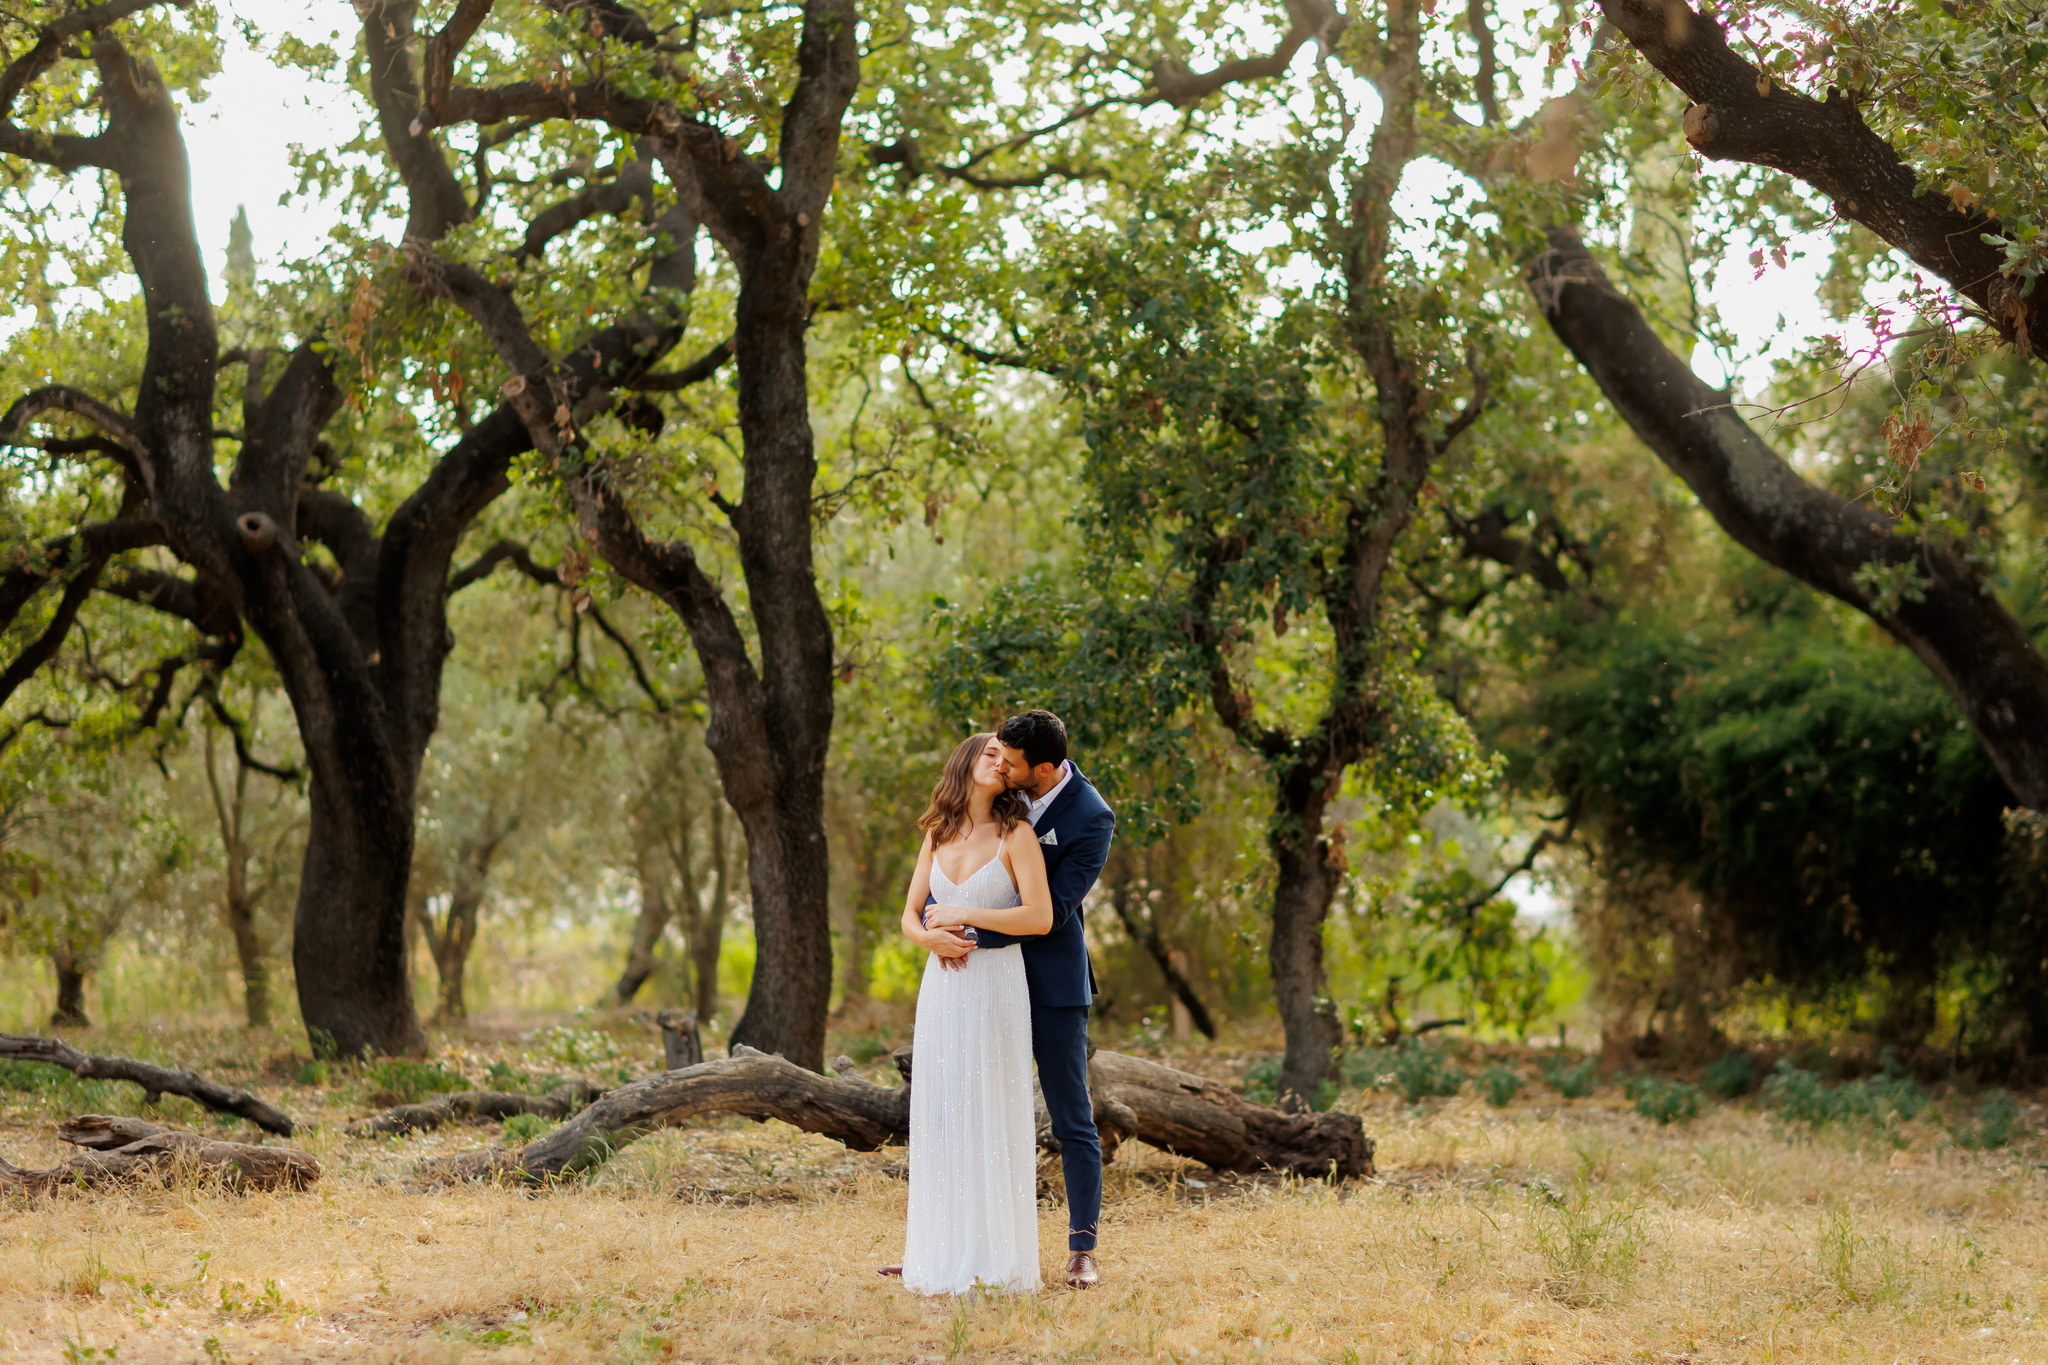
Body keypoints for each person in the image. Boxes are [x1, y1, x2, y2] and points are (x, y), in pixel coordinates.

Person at [882, 710, 1117, 1292]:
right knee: (964, 1107)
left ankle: (1082, 1248)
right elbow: (918, 904)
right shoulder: (979, 811)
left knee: (1070, 1115)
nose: (1002, 767)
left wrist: (964, 930)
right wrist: (935, 935)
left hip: (1051, 979)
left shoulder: (1090, 816)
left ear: (1043, 768)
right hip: (978, 980)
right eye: (994, 757)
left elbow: (1052, 913)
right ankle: (948, 1246)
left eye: (1010, 762)